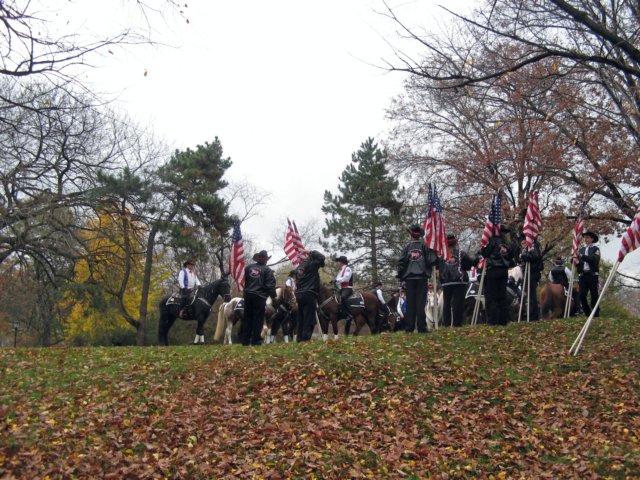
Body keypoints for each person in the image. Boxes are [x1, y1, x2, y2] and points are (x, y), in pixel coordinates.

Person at [396, 224, 437, 333]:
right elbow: (432, 261)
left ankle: (409, 328)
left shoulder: (406, 248)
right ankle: (422, 327)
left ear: (410, 235)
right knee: (420, 304)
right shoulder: (425, 247)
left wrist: (400, 275)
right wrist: (433, 251)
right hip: (422, 278)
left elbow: (400, 263)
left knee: (410, 304)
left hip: (410, 279)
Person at [439, 234, 478, 327]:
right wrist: (478, 257)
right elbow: (469, 265)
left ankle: (447, 324)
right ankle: (457, 323)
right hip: (459, 281)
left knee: (446, 303)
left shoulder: (441, 255)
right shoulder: (461, 254)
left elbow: (437, 267)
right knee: (458, 303)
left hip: (446, 282)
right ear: (455, 243)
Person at [481, 225, 516, 325]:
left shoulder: (490, 241)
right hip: (503, 271)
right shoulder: (507, 244)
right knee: (502, 296)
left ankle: (493, 320)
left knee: (492, 297)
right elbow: (512, 256)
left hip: (493, 270)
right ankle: (503, 320)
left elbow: (484, 253)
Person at [241, 250, 277, 346]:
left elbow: (245, 281)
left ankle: (245, 341)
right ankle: (256, 341)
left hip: (248, 296)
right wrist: (274, 297)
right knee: (258, 319)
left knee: (247, 318)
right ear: (266, 260)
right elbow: (270, 286)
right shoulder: (267, 270)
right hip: (259, 297)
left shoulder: (248, 268)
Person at [295, 249, 326, 341]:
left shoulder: (298, 268)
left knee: (301, 317)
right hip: (309, 293)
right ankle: (305, 338)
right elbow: (321, 258)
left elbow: (322, 263)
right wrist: (310, 251)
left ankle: (299, 338)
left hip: (299, 294)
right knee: (309, 317)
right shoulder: (311, 264)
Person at [519, 236, 543, 321]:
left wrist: (524, 255)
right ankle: (530, 314)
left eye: (524, 242)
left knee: (531, 295)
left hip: (532, 272)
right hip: (527, 272)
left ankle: (533, 316)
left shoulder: (533, 246)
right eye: (522, 243)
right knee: (529, 295)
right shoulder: (528, 248)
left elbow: (534, 257)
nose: (523, 244)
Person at [577, 230, 601, 317]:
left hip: (592, 275)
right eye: (584, 237)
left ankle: (595, 313)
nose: (585, 239)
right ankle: (587, 313)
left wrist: (581, 256)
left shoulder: (595, 249)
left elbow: (593, 260)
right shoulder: (581, 250)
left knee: (594, 295)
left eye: (587, 237)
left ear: (592, 239)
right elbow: (579, 263)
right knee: (581, 295)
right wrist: (575, 261)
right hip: (583, 276)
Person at [334, 255, 354, 323]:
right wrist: (334, 281)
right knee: (334, 298)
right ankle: (341, 313)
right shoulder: (341, 270)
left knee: (343, 297)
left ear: (341, 262)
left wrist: (336, 280)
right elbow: (338, 279)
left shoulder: (348, 269)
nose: (337, 263)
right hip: (342, 288)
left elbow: (346, 278)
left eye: (338, 262)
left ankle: (350, 315)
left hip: (348, 288)